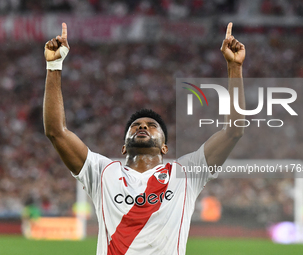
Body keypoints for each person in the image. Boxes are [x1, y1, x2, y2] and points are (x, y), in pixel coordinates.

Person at [43, 22, 245, 255]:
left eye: (151, 126)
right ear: (122, 147)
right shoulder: (102, 173)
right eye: (136, 126)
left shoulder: (186, 173)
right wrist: (54, 65)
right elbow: (56, 132)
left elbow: (234, 131)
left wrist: (234, 67)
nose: (142, 127)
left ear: (164, 147)